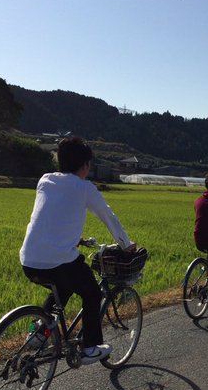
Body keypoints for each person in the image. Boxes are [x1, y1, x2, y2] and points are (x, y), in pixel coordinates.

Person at [20, 137, 136, 365]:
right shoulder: (85, 188)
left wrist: (76, 239)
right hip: (58, 260)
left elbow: (52, 216)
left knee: (62, 287)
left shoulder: (45, 180)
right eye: (89, 164)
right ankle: (90, 348)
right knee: (92, 293)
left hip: (29, 259)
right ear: (84, 165)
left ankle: (38, 335)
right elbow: (108, 216)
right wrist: (126, 244)